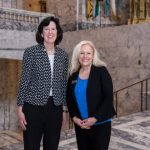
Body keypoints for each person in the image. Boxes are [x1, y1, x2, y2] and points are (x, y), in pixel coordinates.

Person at [17, 16, 68, 150]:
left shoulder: (63, 55)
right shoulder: (31, 52)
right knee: (31, 146)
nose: (50, 32)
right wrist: (20, 108)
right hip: (33, 107)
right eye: (47, 29)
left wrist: (63, 109)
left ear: (58, 32)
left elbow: (63, 84)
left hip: (55, 108)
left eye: (53, 29)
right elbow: (24, 80)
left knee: (52, 146)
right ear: (41, 33)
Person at [67, 40, 116, 150]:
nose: (85, 56)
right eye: (82, 53)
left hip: (101, 123)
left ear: (93, 55)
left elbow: (108, 98)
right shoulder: (73, 76)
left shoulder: (101, 71)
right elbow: (69, 99)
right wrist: (74, 118)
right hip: (81, 125)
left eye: (88, 53)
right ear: (77, 56)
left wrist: (95, 118)